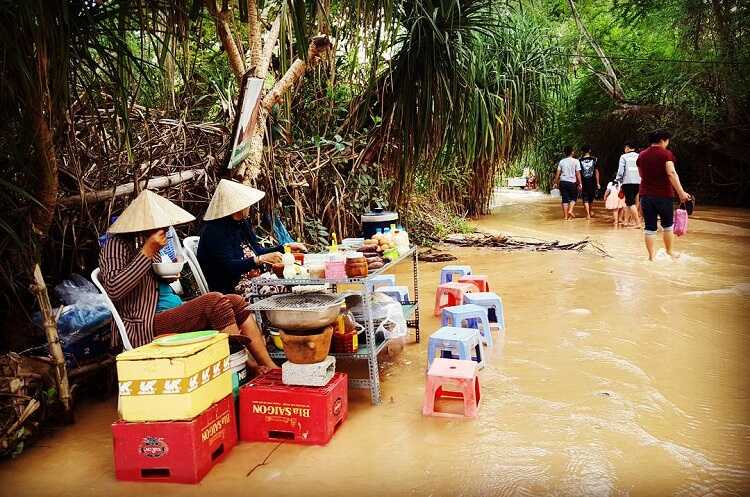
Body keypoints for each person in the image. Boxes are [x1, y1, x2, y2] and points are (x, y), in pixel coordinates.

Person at [98, 189, 277, 373]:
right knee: (214, 301)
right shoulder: (116, 245)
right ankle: (246, 366)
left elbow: (154, 282)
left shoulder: (148, 239)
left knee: (236, 302)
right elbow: (114, 289)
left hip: (172, 309)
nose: (166, 230)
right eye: (161, 225)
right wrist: (147, 251)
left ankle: (270, 367)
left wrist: (168, 274)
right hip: (144, 323)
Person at [197, 179, 306, 295]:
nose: (249, 206)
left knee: (297, 279)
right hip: (233, 287)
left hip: (257, 279)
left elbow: (258, 250)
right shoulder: (214, 231)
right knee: (291, 287)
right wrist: (259, 260)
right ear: (238, 206)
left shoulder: (242, 223)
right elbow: (228, 267)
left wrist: (285, 248)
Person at [637, 129, 691, 261]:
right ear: (663, 140)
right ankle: (669, 252)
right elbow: (671, 173)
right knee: (667, 225)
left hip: (646, 196)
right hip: (664, 195)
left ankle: (651, 257)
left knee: (649, 227)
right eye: (667, 141)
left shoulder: (642, 155)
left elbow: (641, 174)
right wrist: (681, 193)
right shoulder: (666, 154)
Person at [552, 146, 582, 220]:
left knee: (564, 199)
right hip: (572, 182)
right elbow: (578, 173)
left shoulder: (562, 161)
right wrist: (580, 183)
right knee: (574, 198)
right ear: (572, 152)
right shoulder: (576, 161)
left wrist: (555, 182)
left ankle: (565, 217)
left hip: (563, 182)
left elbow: (558, 173)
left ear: (565, 153)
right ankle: (570, 210)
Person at [616, 141, 641, 227]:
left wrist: (618, 179)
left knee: (630, 202)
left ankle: (637, 223)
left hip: (627, 181)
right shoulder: (639, 156)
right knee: (631, 202)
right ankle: (627, 221)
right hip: (638, 181)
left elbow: (620, 170)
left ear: (627, 147)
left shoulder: (623, 157)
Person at [579, 145, 600, 219]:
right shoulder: (595, 159)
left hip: (584, 181)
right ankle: (590, 211)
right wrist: (598, 183)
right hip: (593, 181)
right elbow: (597, 172)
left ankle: (587, 214)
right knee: (591, 197)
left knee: (585, 197)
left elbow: (578, 173)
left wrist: (579, 183)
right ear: (590, 150)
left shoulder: (579, 160)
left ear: (582, 151)